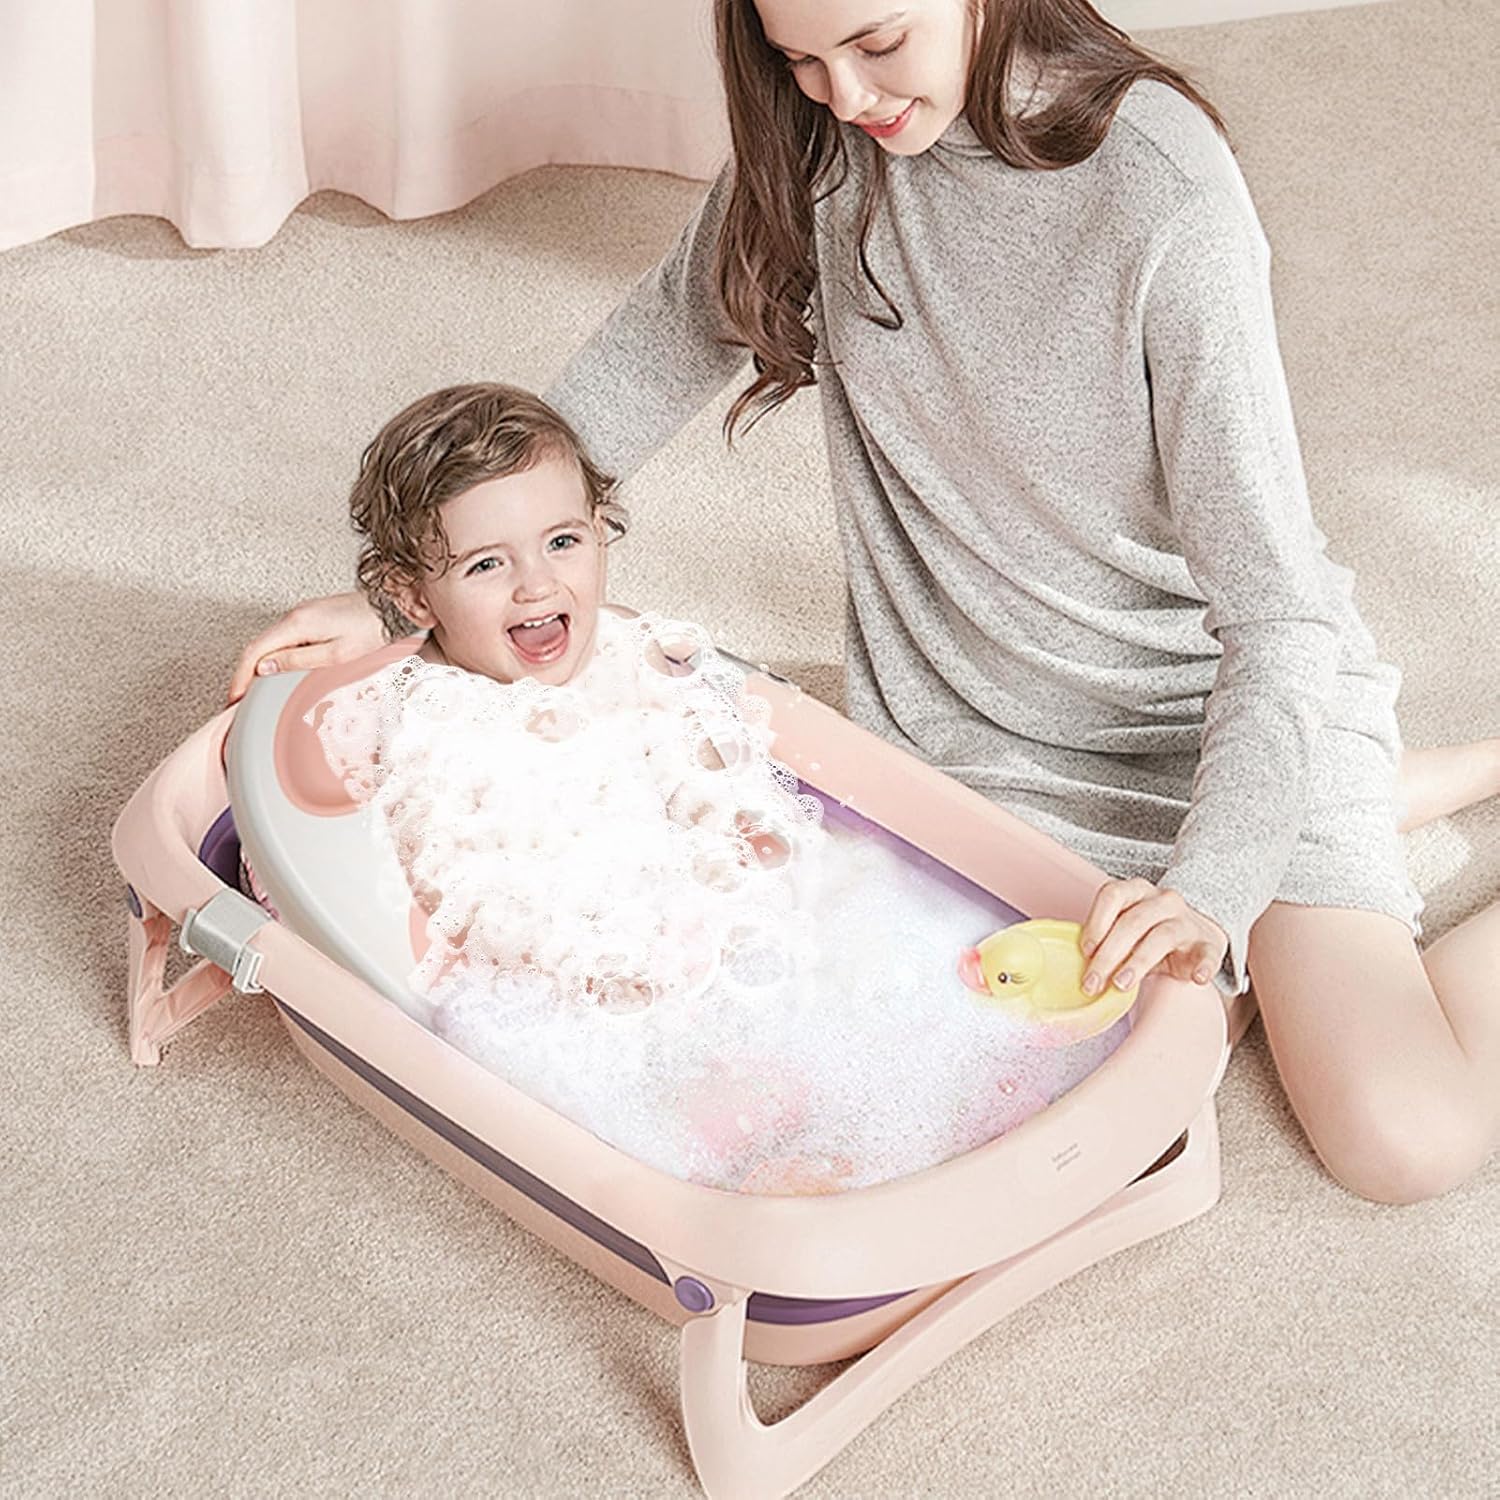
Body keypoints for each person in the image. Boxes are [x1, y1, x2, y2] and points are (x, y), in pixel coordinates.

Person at [227, 0, 1500, 1203]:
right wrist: (408, 597)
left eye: (877, 39)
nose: (845, 95)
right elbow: (666, 340)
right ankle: (1374, 802)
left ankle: (1331, 797)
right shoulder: (824, 143)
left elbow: (1278, 616)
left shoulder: (1162, 195)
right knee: (931, 1057)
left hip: (1213, 699)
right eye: (799, 56)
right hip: (975, 741)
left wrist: (1215, 884)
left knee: (1404, 1139)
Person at [312, 380, 811, 1012]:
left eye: (562, 542)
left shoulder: (625, 646)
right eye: (487, 564)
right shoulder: (432, 720)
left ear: (599, 532)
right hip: (565, 959)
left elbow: (695, 752)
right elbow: (451, 886)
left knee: (807, 926)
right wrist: (567, 965)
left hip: (684, 912)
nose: (537, 585)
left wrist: (734, 825)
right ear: (413, 596)